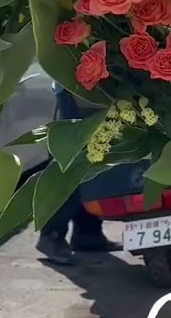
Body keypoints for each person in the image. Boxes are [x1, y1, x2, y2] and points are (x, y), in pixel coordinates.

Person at [35, 87, 115, 265]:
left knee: (95, 160)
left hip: (97, 90)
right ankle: (51, 236)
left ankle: (88, 234)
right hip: (74, 91)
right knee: (72, 165)